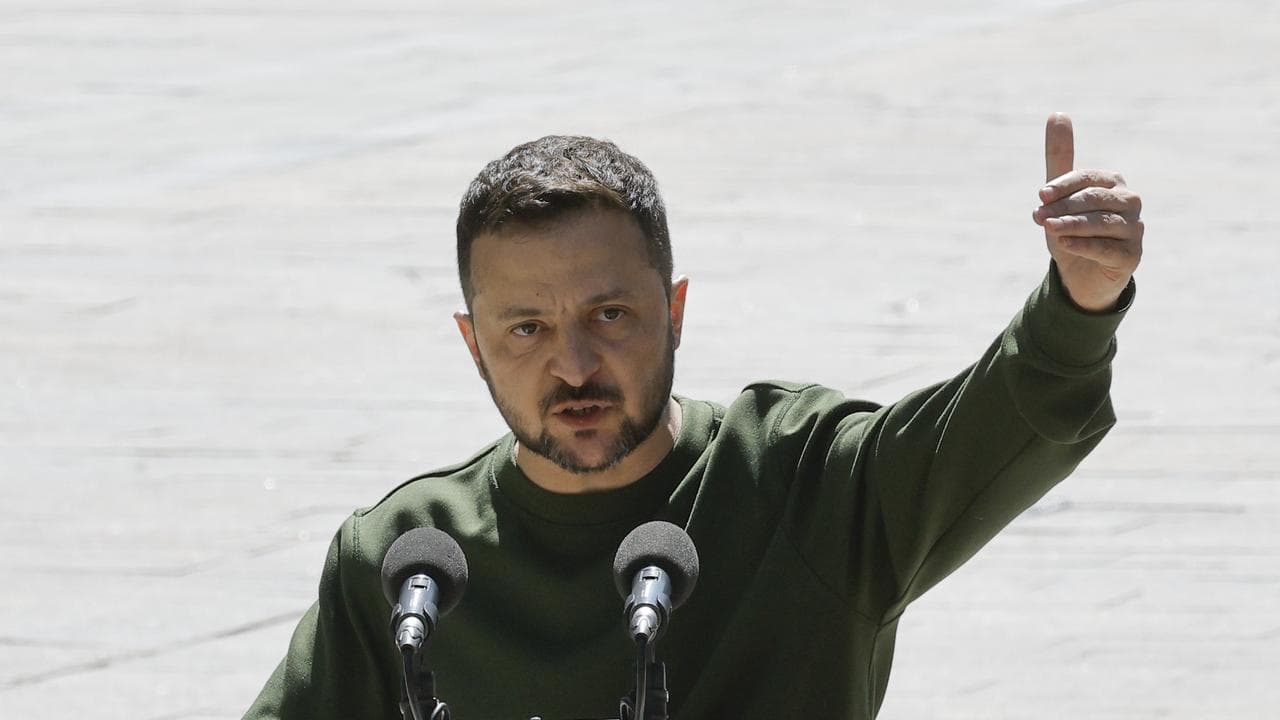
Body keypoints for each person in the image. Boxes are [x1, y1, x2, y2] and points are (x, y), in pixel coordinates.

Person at [244, 112, 1143, 720]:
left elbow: (1002, 423)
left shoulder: (800, 485)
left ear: (673, 311)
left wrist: (1081, 299)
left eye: (610, 315)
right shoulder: (406, 562)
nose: (574, 365)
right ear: (472, 343)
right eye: (526, 329)